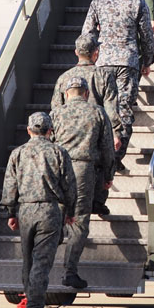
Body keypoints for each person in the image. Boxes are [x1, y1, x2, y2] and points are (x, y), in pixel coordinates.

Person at [0, 112, 76, 308]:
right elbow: (69, 185)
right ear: (50, 131)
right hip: (50, 212)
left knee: (28, 261)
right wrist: (70, 211)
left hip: (25, 211)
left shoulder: (18, 153)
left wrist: (11, 212)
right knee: (41, 263)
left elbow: (10, 185)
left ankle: (30, 305)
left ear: (28, 130)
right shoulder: (59, 152)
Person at [81, 0, 154, 172]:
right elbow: (146, 35)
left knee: (102, 108)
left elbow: (86, 34)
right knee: (123, 109)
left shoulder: (98, 2)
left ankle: (99, 154)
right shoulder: (137, 2)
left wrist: (90, 57)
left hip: (102, 63)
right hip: (127, 63)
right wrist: (147, 61)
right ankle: (114, 156)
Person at [51, 77, 116, 288]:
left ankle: (43, 264)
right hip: (83, 171)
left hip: (57, 170)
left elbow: (47, 144)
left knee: (54, 217)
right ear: (86, 93)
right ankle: (70, 271)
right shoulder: (97, 112)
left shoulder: (55, 114)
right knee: (79, 222)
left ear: (67, 93)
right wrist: (108, 175)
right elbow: (107, 147)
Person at [50, 33, 106, 110]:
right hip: (95, 121)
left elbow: (56, 109)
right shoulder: (104, 75)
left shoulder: (63, 77)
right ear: (96, 52)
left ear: (76, 52)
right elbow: (112, 111)